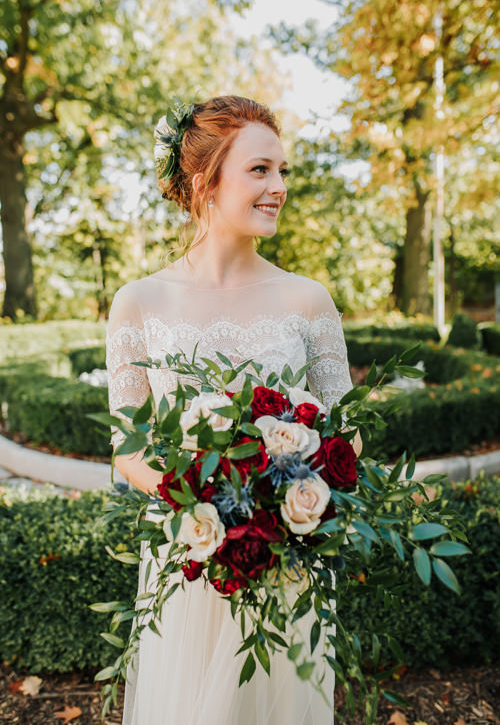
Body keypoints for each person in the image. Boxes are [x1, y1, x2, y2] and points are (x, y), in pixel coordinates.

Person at [106, 95, 360, 725]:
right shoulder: (138, 303)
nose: (278, 187)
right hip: (189, 553)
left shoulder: (308, 299)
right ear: (205, 183)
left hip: (287, 558)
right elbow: (127, 449)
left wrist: (286, 506)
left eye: (282, 172)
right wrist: (203, 505)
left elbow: (347, 434)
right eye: (259, 170)